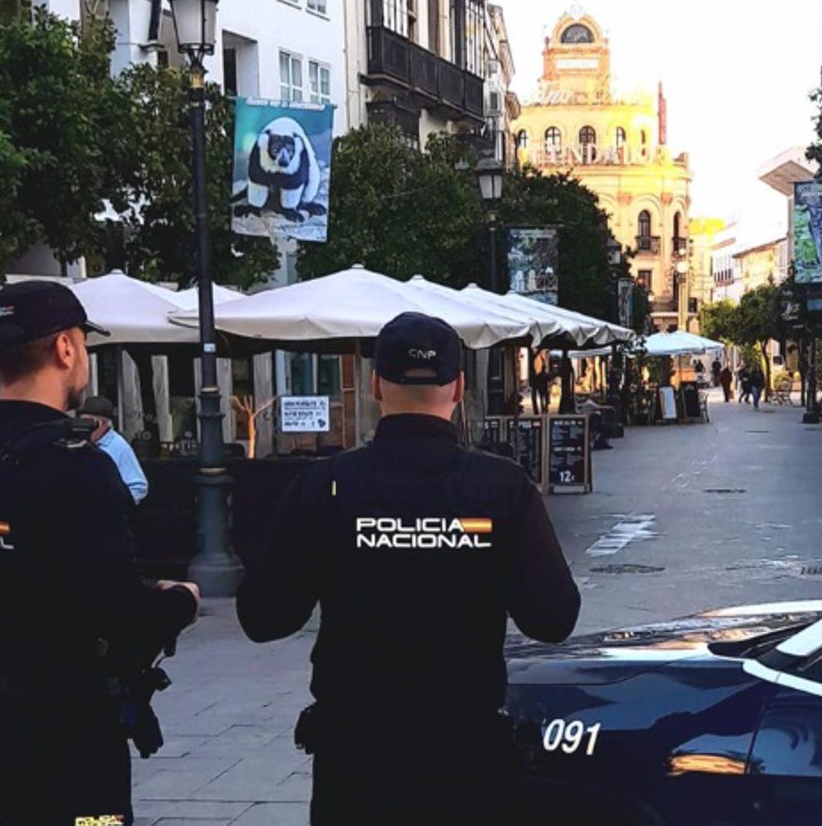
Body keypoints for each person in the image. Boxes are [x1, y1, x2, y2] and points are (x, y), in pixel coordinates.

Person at [236, 312, 581, 826]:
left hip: (355, 764)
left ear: (376, 384)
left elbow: (263, 617)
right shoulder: (501, 488)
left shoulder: (325, 486)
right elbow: (553, 618)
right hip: (466, 760)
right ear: (460, 387)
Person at [0, 281, 200, 825]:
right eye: (83, 345)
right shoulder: (77, 463)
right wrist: (181, 600)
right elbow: (122, 610)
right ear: (65, 349)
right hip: (71, 722)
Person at [77, 396, 149, 504]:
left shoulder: (119, 446)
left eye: (89, 423)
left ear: (103, 424)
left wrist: (115, 507)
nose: (85, 429)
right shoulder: (80, 443)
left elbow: (138, 486)